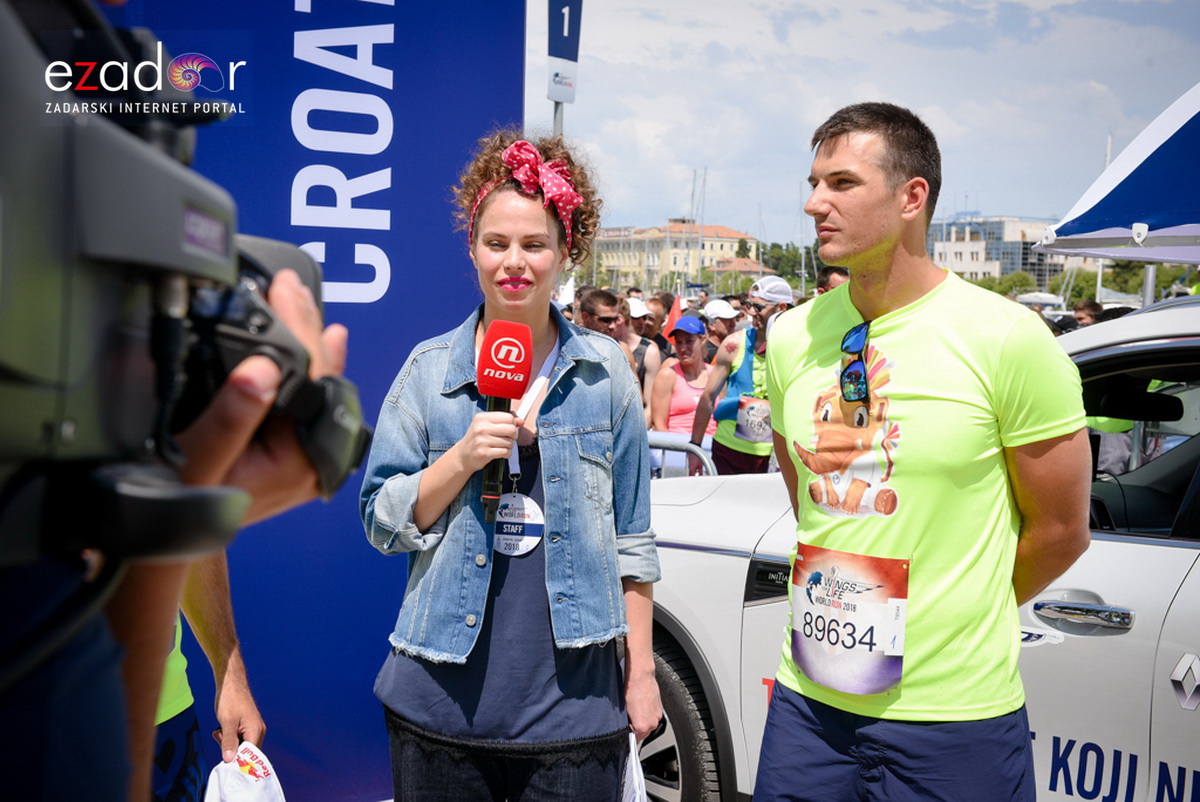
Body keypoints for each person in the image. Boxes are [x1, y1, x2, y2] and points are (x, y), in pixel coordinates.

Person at [755, 101, 1091, 801]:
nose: (816, 203)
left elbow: (1060, 532)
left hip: (952, 721)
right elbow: (809, 500)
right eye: (813, 183)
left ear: (913, 197)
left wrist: (956, 611)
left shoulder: (1007, 338)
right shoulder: (789, 336)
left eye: (842, 184)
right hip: (809, 707)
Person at [359, 131, 661, 802]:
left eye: (535, 245)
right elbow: (381, 520)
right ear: (473, 248)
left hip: (574, 716)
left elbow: (633, 543)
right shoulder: (430, 371)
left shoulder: (604, 371)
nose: (514, 263)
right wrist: (463, 458)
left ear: (565, 253)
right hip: (437, 708)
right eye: (497, 243)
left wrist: (640, 674)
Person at [688, 275, 793, 475]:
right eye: (749, 305)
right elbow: (708, 397)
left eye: (758, 307)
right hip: (730, 451)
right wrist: (695, 447)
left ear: (781, 308)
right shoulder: (734, 344)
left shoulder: (797, 347)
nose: (751, 312)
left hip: (776, 455)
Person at [650, 316, 717, 437]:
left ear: (703, 339)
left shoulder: (715, 375)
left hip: (711, 449)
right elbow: (659, 424)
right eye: (678, 342)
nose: (682, 348)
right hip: (678, 449)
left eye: (689, 341)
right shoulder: (667, 376)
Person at [701, 298, 741, 363]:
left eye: (733, 318)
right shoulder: (705, 354)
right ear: (712, 325)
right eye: (727, 319)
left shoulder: (736, 347)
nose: (733, 324)